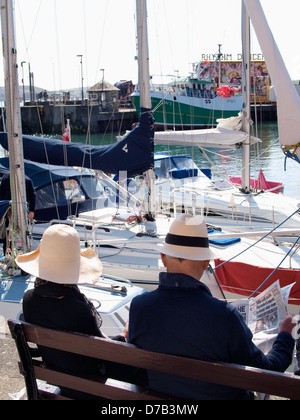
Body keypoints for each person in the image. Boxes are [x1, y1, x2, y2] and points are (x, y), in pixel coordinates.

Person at [128, 213, 296, 400]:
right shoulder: (223, 315)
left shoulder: (139, 307)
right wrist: (285, 337)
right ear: (205, 263)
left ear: (163, 258)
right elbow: (266, 376)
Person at [17, 224, 143, 398]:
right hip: (87, 387)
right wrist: (124, 335)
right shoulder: (76, 308)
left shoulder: (29, 299)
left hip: (59, 378)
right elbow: (104, 351)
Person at [0, 172, 36, 255]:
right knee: (19, 231)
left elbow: (1, 194)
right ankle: (20, 253)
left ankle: (8, 253)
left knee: (8, 232)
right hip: (19, 209)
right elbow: (33, 195)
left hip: (7, 209)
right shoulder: (27, 179)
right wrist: (31, 210)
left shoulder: (5, 177)